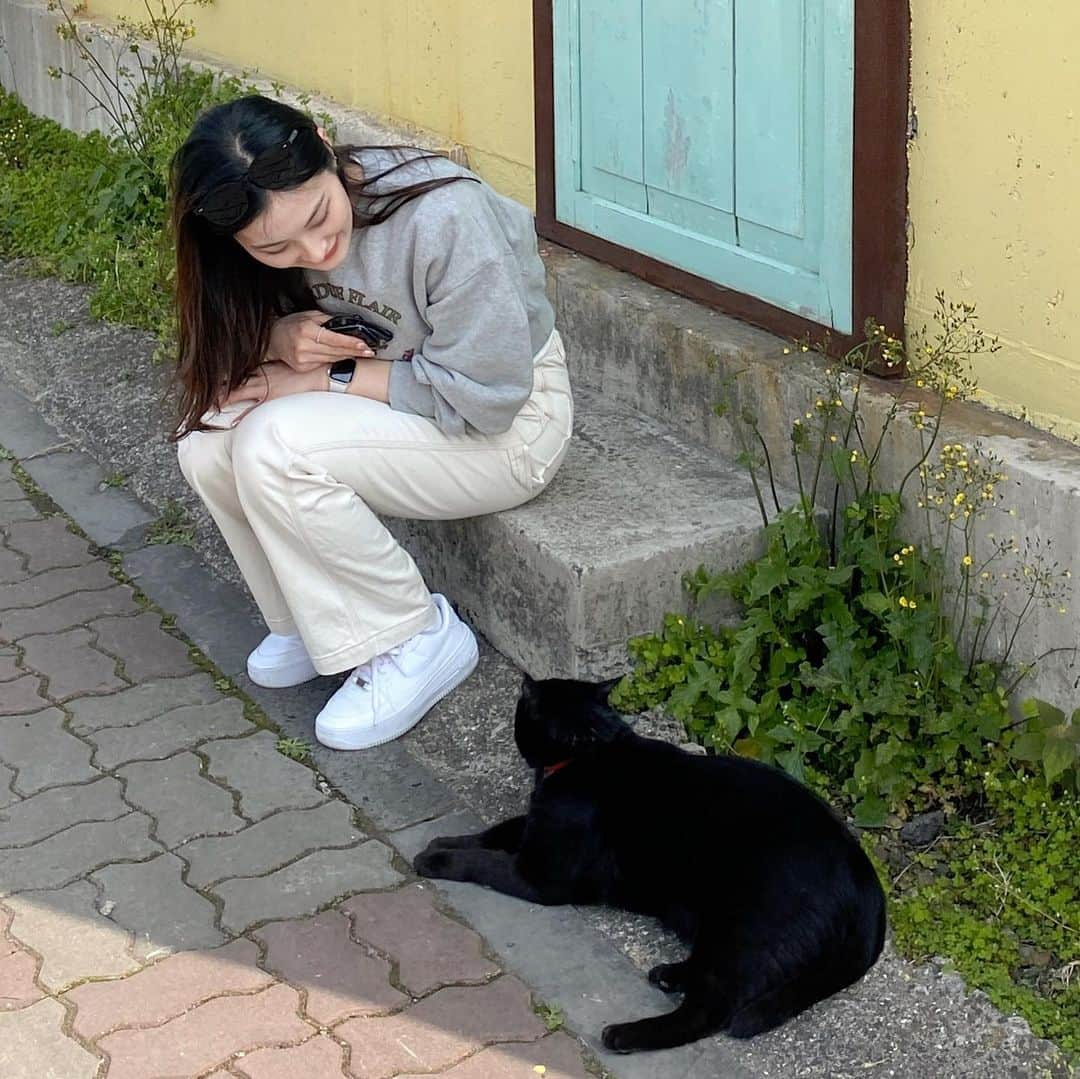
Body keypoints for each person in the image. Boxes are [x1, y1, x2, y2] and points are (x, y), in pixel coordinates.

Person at [169, 94, 572, 751]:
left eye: (321, 216)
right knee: (209, 438)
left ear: (326, 145)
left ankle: (413, 636)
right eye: (276, 247)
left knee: (275, 443)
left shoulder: (442, 216)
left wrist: (319, 378)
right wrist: (276, 337)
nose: (316, 250)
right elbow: (213, 359)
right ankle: (307, 617)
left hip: (510, 422)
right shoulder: (243, 233)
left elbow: (490, 397)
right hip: (400, 401)